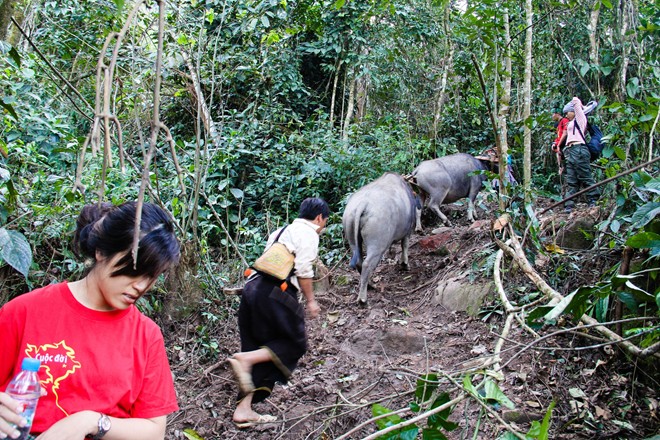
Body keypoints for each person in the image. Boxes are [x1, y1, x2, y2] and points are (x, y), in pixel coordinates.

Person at [0, 201, 181, 440]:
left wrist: (91, 422)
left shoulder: (146, 335)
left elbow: (154, 430)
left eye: (151, 275)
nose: (141, 286)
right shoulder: (23, 312)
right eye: (134, 269)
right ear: (101, 252)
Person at [228, 197, 329, 428]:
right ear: (319, 218)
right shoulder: (309, 234)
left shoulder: (281, 231)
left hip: (251, 289)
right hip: (275, 292)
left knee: (265, 347)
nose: (323, 226)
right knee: (295, 343)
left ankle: (243, 410)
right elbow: (303, 270)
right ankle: (246, 359)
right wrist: (311, 301)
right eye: (325, 222)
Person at [558, 97, 599, 213]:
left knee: (585, 175)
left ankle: (593, 199)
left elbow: (575, 100)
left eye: (567, 112)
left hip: (579, 149)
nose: (566, 115)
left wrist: (581, 108)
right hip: (571, 151)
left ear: (574, 111)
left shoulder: (580, 119)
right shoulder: (571, 122)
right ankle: (569, 205)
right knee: (571, 179)